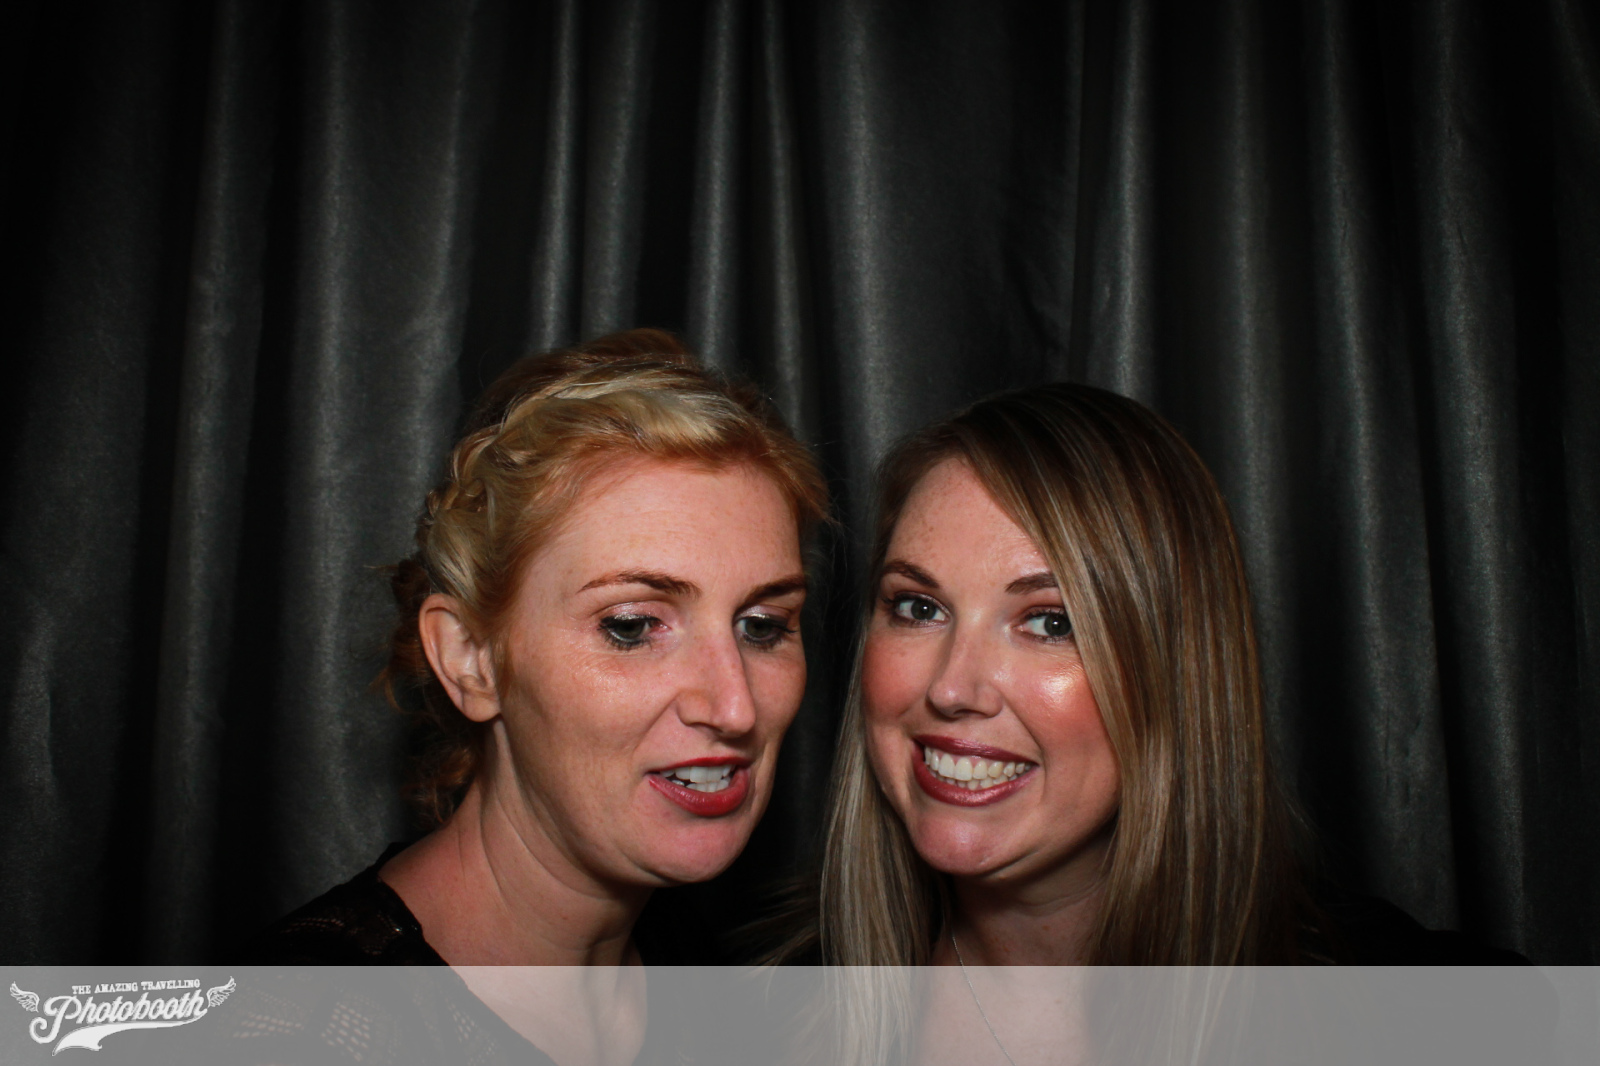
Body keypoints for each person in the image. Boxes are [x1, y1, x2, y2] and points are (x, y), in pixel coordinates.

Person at [789, 384, 1525, 1063]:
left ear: (1174, 675)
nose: (953, 688)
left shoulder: (1425, 1018)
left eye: (1050, 622)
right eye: (918, 608)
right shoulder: (760, 1005)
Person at [236, 329, 827, 1064]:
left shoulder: (695, 967)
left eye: (763, 626)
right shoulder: (304, 1032)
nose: (735, 707)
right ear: (471, 659)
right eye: (632, 626)